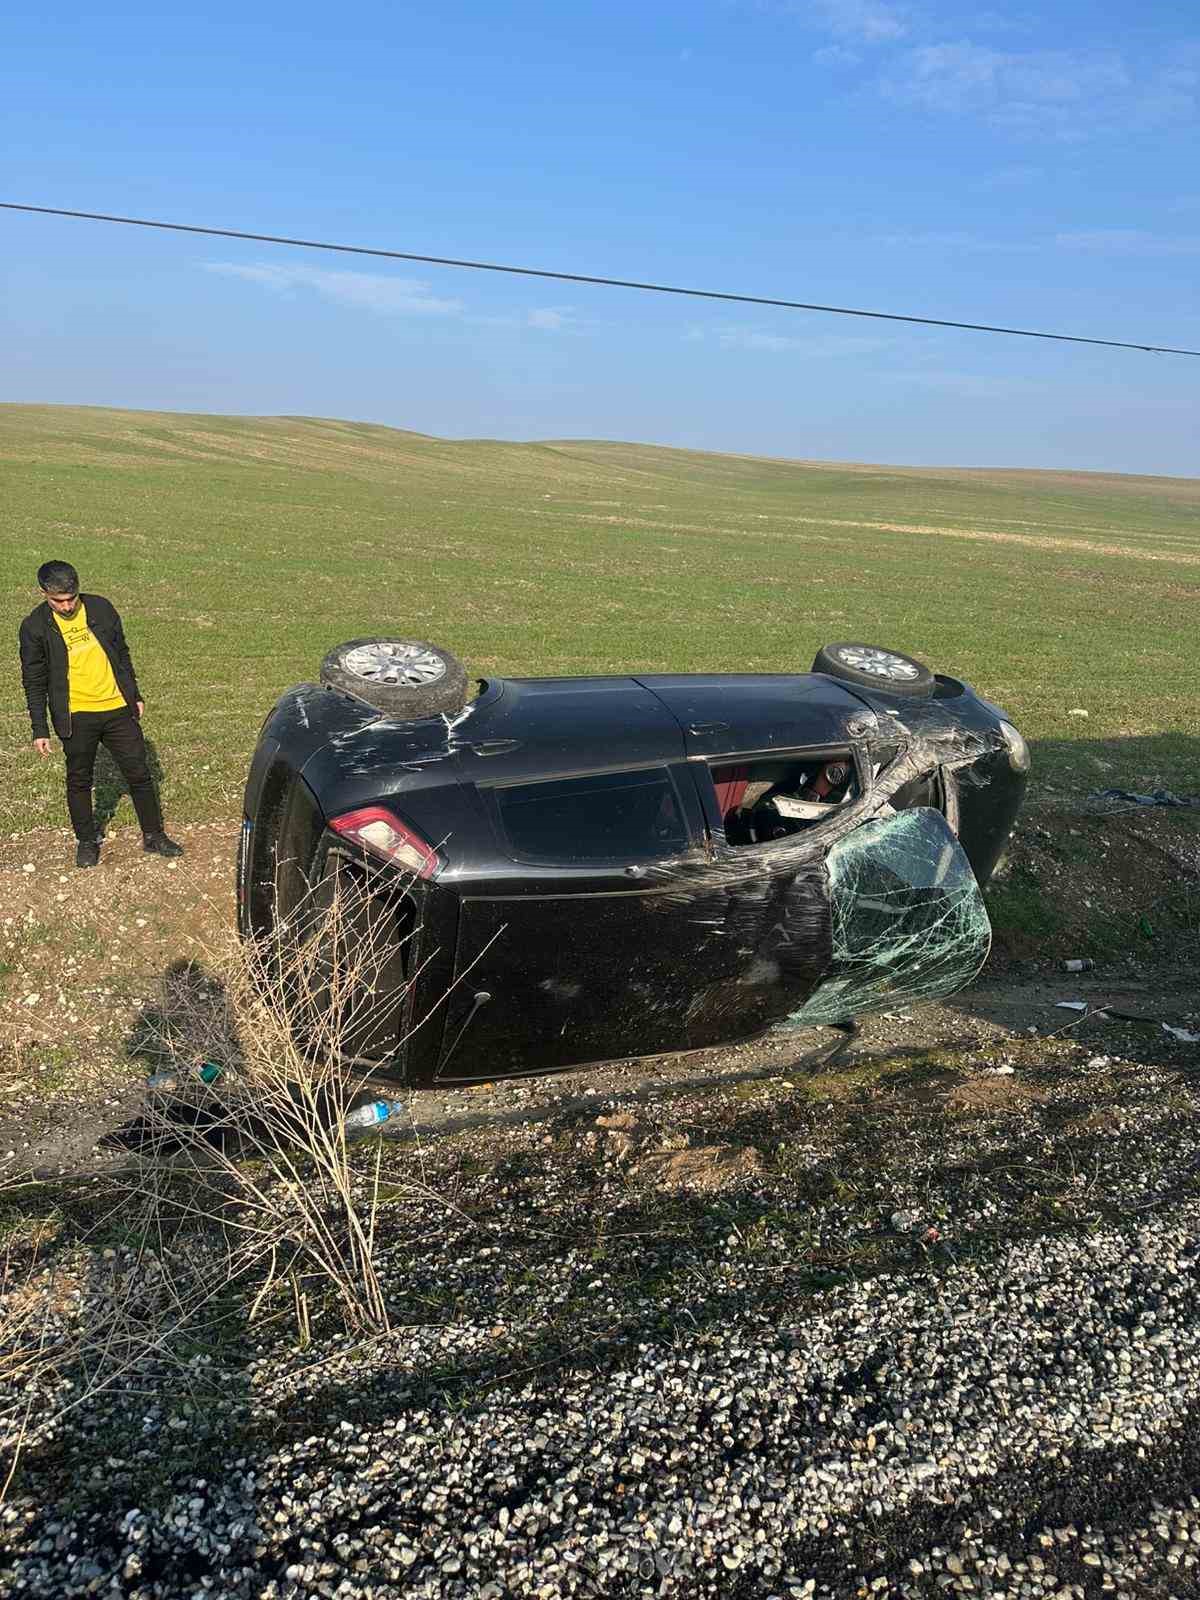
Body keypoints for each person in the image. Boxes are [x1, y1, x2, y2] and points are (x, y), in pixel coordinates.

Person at [18, 560, 184, 868]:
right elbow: (33, 680)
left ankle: (153, 835)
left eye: (72, 598)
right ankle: (86, 841)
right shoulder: (34, 627)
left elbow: (122, 653)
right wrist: (39, 728)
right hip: (76, 715)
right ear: (42, 593)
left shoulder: (101, 609)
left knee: (139, 772)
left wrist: (133, 694)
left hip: (117, 708)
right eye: (59, 601)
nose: (67, 606)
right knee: (79, 779)